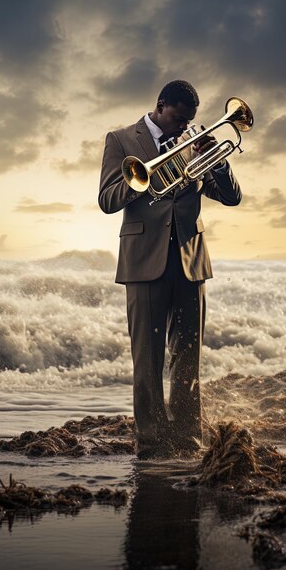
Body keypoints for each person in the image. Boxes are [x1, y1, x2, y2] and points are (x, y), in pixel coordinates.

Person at [98, 80, 242, 460]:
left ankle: (186, 439)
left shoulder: (196, 140)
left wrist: (218, 161)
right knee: (147, 359)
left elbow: (231, 197)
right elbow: (107, 200)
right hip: (143, 260)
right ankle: (152, 443)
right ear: (161, 107)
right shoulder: (121, 139)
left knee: (188, 357)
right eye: (179, 119)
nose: (184, 128)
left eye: (189, 121)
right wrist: (143, 179)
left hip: (190, 261)